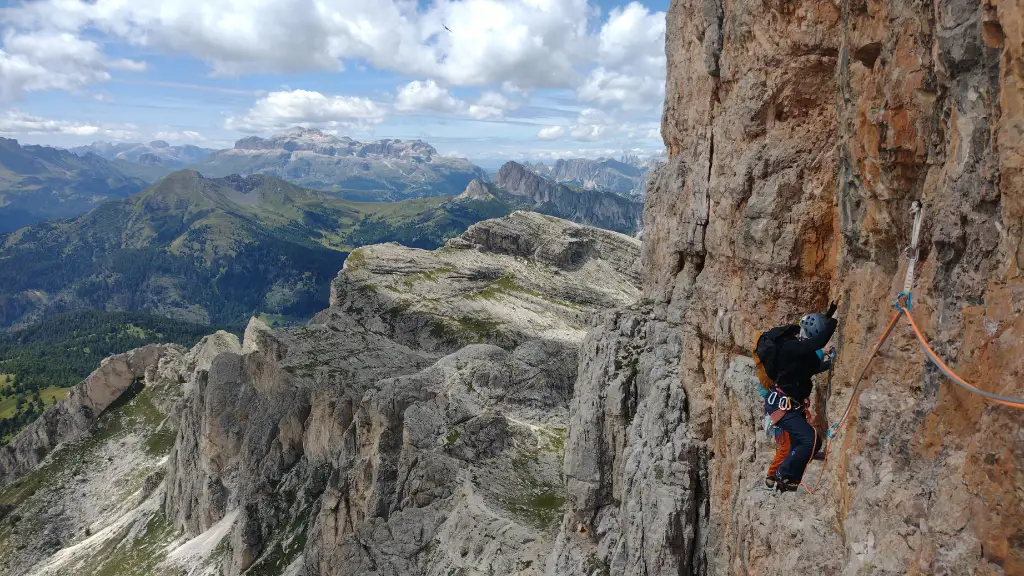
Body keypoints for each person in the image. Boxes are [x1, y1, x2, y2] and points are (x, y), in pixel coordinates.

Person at [765, 304, 838, 492]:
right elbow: (816, 343)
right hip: (781, 406)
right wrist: (834, 323)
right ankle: (782, 475)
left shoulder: (803, 354)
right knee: (810, 440)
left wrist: (828, 364)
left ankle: (788, 477)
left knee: (808, 443)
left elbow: (812, 366)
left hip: (790, 406)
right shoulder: (790, 347)